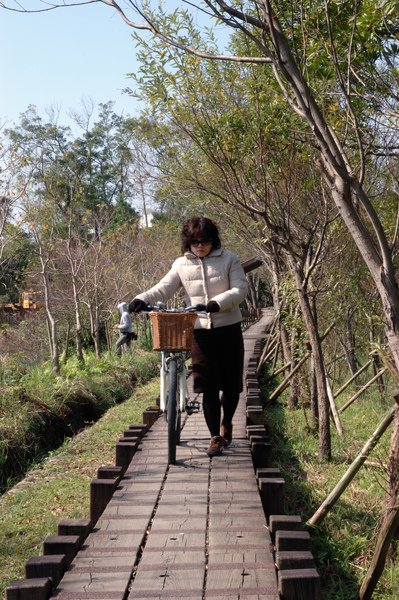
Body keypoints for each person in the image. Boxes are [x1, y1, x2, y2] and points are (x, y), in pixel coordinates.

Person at [129, 216, 248, 457]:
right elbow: (164, 287)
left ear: (213, 240)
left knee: (232, 387)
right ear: (188, 242)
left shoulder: (229, 259)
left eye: (204, 240)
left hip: (228, 329)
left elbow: (240, 289)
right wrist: (142, 298)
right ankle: (215, 436)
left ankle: (227, 423)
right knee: (208, 386)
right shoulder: (181, 265)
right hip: (200, 333)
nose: (200, 245)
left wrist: (216, 303)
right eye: (195, 241)